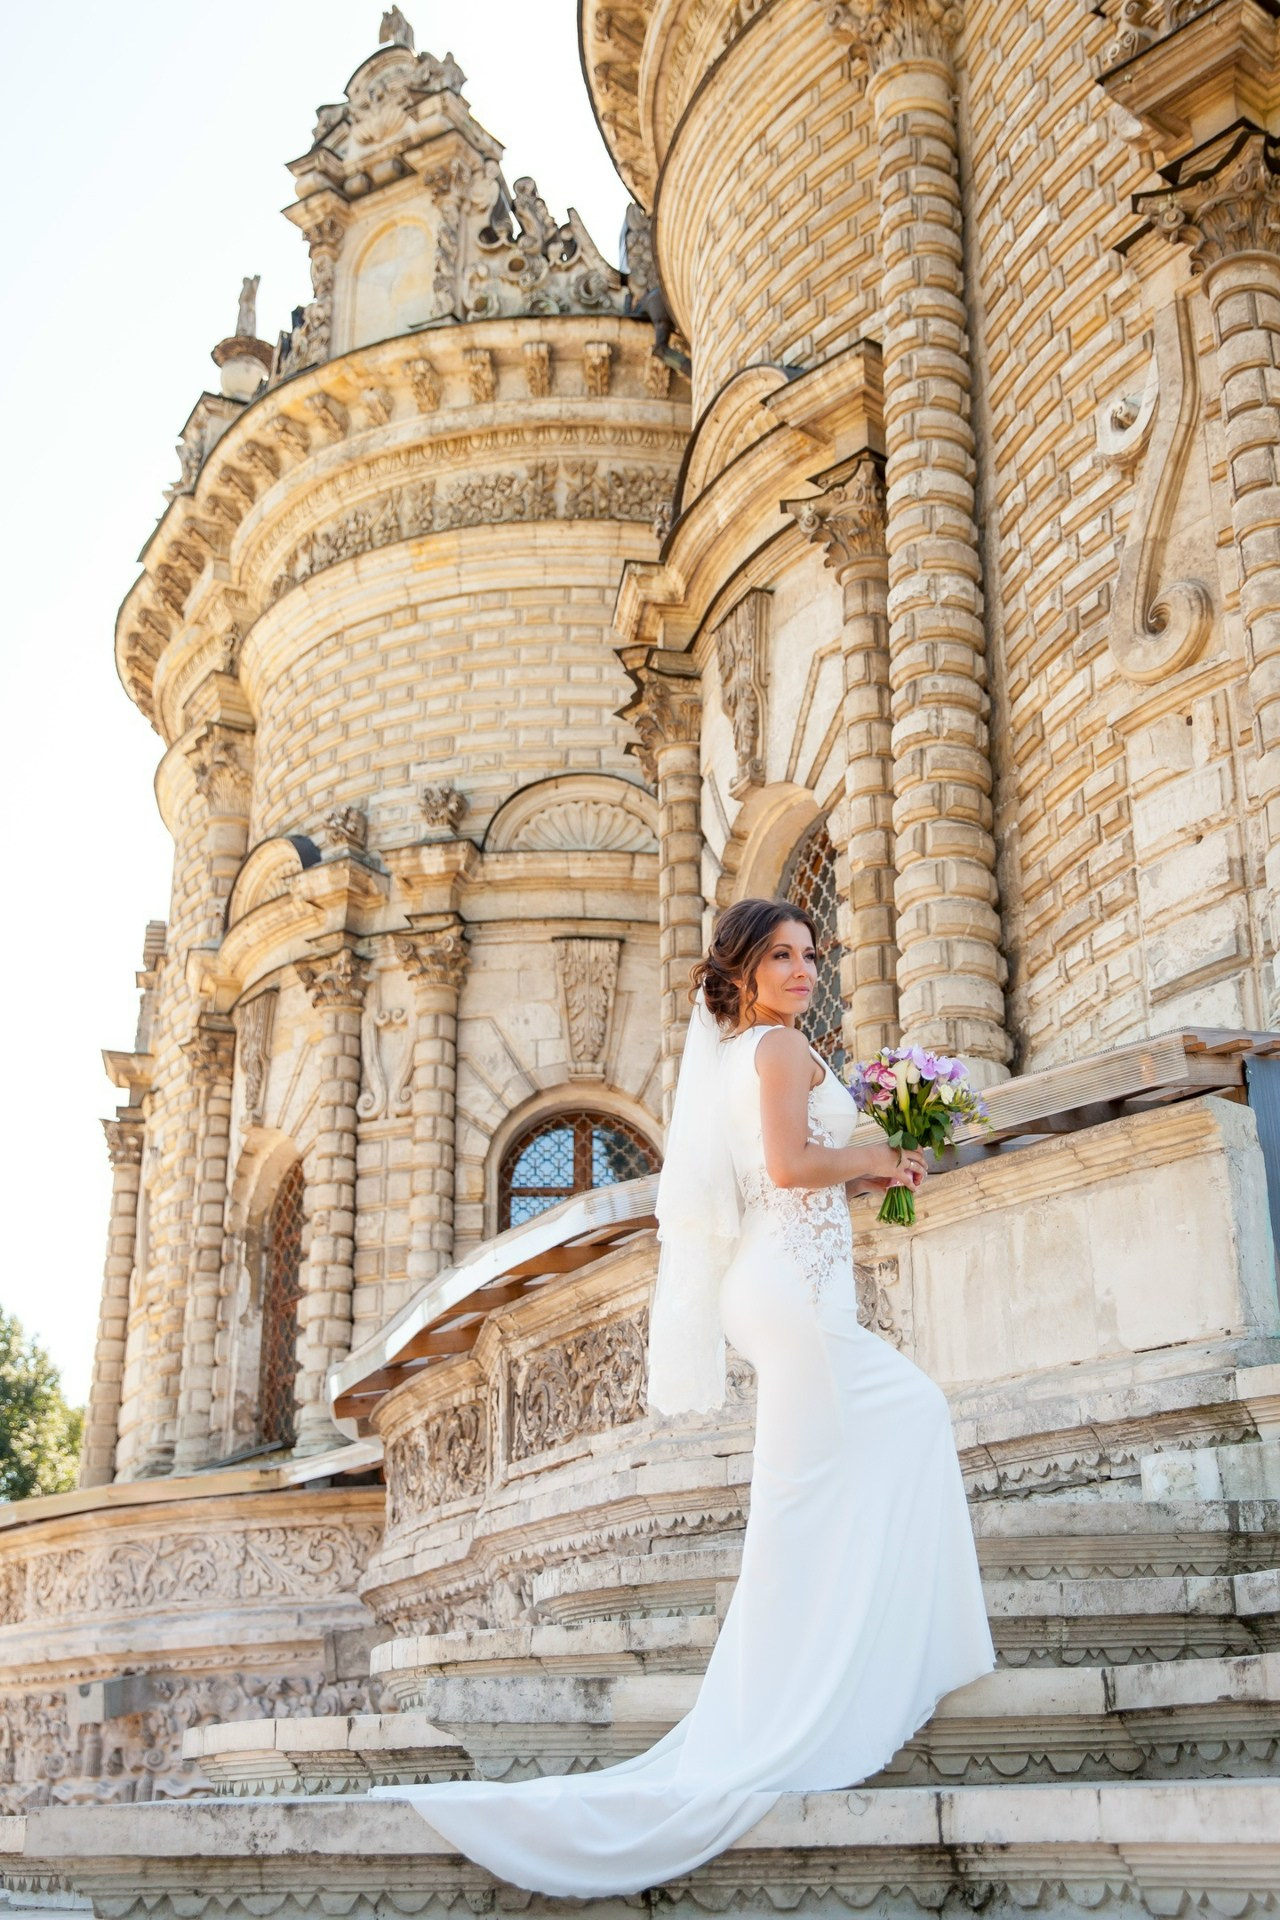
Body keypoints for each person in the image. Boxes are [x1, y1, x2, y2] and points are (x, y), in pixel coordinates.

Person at [369, 897, 995, 1894]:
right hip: (792, 1294)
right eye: (782, 955)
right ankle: (806, 1698)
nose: (803, 968)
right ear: (742, 970)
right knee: (872, 1444)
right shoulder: (779, 1049)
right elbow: (793, 1166)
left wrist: (872, 1171)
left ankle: (829, 1669)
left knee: (826, 1481)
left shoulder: (750, 1055)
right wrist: (873, 1154)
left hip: (781, 1282)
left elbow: (780, 1175)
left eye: (809, 953)